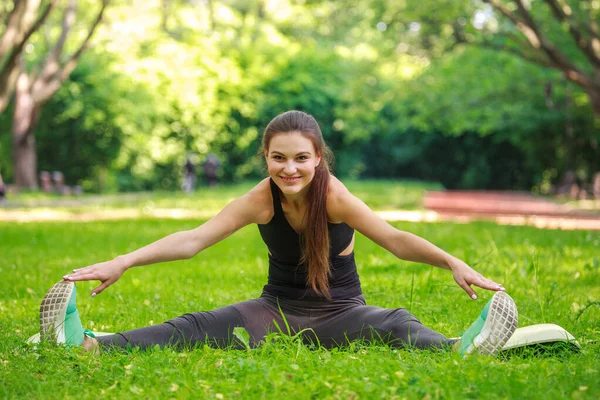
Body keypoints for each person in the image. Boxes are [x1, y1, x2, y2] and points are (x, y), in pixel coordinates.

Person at [39, 110, 517, 356]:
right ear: (265, 158)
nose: (290, 168)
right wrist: (123, 261)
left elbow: (393, 238)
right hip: (275, 311)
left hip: (339, 312)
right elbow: (192, 240)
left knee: (395, 324)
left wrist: (454, 262)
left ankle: (461, 348)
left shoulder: (335, 197)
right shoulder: (259, 198)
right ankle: (90, 344)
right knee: (196, 327)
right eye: (279, 157)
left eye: (301, 158)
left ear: (319, 159)